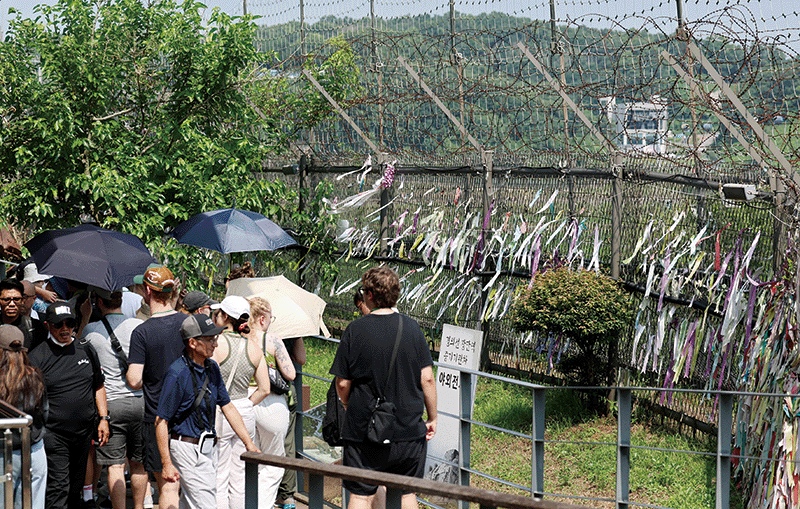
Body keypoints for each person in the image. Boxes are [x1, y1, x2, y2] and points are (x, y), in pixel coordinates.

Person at [330, 266, 438, 509]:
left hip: (364, 430)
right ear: (396, 294)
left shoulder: (355, 330)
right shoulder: (412, 329)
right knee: (405, 493)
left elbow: (343, 382)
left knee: (360, 495)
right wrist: (432, 417)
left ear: (369, 295)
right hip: (408, 430)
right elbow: (427, 378)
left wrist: (347, 405)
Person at [155, 313, 260, 509]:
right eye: (210, 339)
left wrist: (248, 443)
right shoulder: (177, 373)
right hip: (186, 448)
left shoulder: (212, 368)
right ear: (193, 343)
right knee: (206, 505)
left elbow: (227, 406)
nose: (215, 344)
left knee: (191, 504)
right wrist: (167, 463)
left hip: (208, 448)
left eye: (216, 338)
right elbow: (161, 421)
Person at [28, 301, 109, 509]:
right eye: (59, 324)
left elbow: (99, 386)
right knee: (58, 487)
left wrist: (104, 419)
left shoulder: (86, 349)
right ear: (47, 325)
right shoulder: (37, 356)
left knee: (76, 486)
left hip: (83, 434)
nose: (65, 329)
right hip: (54, 434)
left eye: (69, 323)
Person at [81, 289, 148, 509]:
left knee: (116, 466)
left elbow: (79, 353)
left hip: (110, 406)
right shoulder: (138, 327)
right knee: (138, 464)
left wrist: (84, 316)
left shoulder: (91, 330)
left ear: (99, 302)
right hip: (140, 401)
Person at [126, 265, 185, 509]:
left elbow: (134, 379)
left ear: (148, 291)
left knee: (167, 483)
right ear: (172, 292)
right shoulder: (188, 323)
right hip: (190, 416)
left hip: (157, 417)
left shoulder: (142, 332)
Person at [210, 296, 270, 509]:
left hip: (220, 412)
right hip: (244, 409)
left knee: (218, 475)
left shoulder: (215, 344)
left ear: (225, 316)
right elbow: (265, 388)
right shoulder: (254, 348)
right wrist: (246, 404)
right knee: (239, 478)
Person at [245, 296, 296, 508]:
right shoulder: (272, 339)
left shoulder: (240, 337)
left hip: (245, 403)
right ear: (263, 319)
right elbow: (291, 374)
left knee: (248, 461)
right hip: (271, 404)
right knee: (273, 463)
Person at [0, 324, 48, 509]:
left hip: (4, 450)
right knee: (34, 504)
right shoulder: (35, 376)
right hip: (33, 448)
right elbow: (45, 412)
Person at [0, 279, 47, 350]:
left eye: (16, 299)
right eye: (6, 299)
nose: (12, 304)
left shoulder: (35, 328)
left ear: (22, 301)